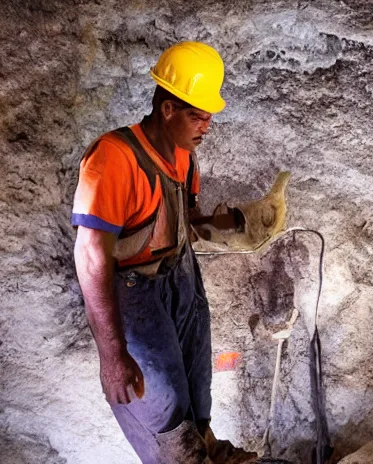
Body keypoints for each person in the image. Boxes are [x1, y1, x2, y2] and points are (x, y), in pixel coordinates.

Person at [72, 42, 256, 463]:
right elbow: (91, 256)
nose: (206, 126)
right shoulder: (114, 159)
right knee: (164, 399)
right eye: (197, 115)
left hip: (181, 276)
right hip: (135, 291)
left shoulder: (185, 157)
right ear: (167, 108)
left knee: (196, 384)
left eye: (210, 116)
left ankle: (207, 450)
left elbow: (183, 221)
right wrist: (112, 355)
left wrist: (235, 225)